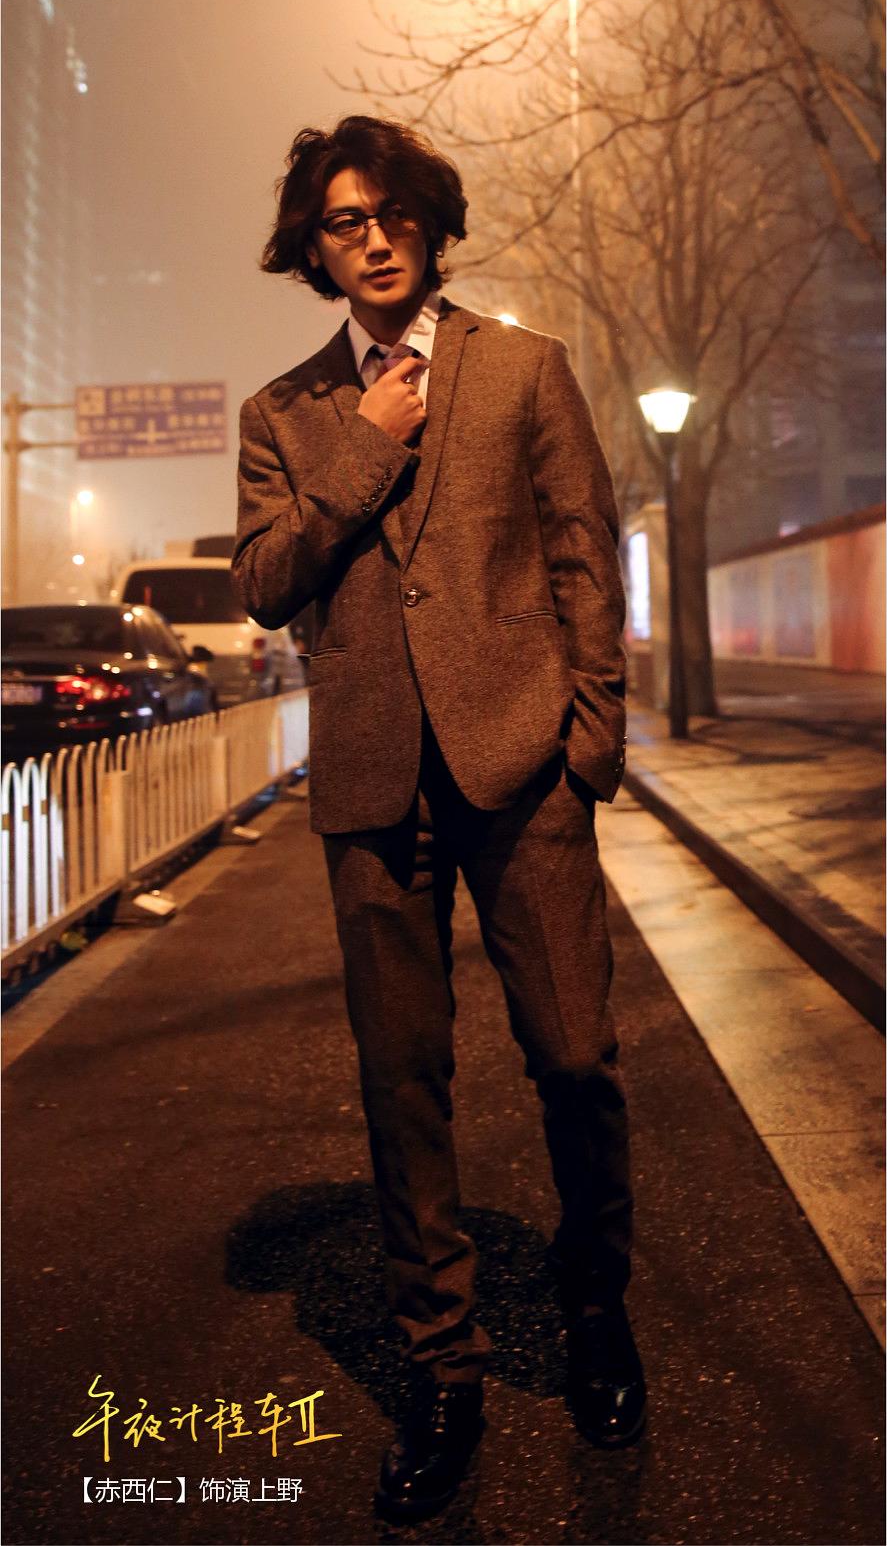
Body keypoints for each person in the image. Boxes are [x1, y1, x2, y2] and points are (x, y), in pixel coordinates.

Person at [233, 114, 646, 1524]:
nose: (375, 236)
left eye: (396, 209)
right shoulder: (285, 414)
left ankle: (596, 1312)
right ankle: (443, 1364)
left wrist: (590, 740)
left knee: (576, 1054)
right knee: (402, 1082)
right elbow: (263, 583)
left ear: (433, 220)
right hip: (371, 785)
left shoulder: (524, 367)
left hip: (523, 772)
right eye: (345, 219)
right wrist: (363, 446)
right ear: (313, 247)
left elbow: (584, 554)